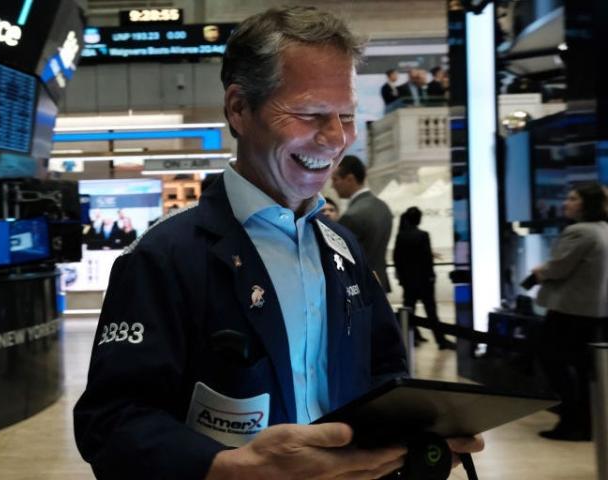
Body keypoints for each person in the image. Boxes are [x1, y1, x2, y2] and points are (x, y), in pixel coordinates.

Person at [73, 6, 482, 479]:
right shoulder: (164, 257)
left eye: (346, 115)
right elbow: (110, 422)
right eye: (310, 114)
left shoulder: (343, 248)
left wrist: (418, 435)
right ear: (239, 109)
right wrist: (229, 469)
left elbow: (383, 372)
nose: (334, 139)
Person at [532, 183, 608, 441]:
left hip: (569, 311)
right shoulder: (602, 230)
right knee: (584, 370)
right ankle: (585, 422)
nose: (566, 202)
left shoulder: (579, 232)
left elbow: (559, 267)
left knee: (553, 362)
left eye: (573, 198)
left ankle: (571, 420)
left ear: (587, 203)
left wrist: (541, 271)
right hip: (592, 312)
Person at [393, 207, 456, 350]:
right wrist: (431, 277)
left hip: (409, 282)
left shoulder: (401, 235)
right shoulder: (423, 235)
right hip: (424, 281)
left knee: (409, 312)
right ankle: (440, 340)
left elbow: (398, 259)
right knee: (431, 313)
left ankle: (409, 338)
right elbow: (426, 259)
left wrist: (402, 279)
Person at [332, 155, 394, 293]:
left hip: (360, 290)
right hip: (380, 283)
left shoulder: (351, 216)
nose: (332, 185)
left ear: (350, 179)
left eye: (335, 179)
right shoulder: (382, 207)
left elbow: (340, 262)